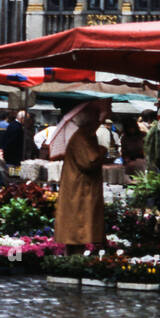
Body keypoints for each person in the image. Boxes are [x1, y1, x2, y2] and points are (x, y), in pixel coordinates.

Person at [53, 101, 109, 249]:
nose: (99, 122)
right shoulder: (81, 137)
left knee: (81, 223)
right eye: (97, 118)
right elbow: (89, 162)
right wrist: (102, 151)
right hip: (79, 188)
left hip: (82, 186)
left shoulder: (87, 136)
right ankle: (76, 256)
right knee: (78, 224)